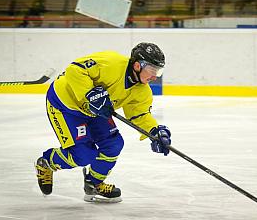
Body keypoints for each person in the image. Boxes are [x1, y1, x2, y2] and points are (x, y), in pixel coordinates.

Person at [35, 42, 172, 203]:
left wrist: (155, 132)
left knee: (113, 144)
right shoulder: (111, 62)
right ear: (137, 65)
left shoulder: (142, 91)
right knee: (83, 156)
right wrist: (89, 92)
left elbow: (140, 115)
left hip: (95, 111)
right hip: (66, 105)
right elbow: (75, 69)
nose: (155, 76)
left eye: (158, 71)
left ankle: (93, 183)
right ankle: (47, 163)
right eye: (152, 70)